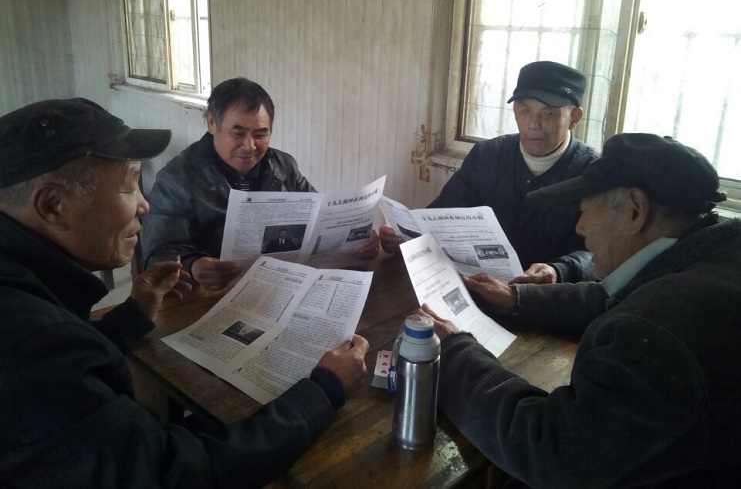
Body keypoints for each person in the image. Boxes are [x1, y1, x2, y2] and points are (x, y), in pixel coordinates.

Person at [0, 98, 369, 487]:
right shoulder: (33, 344)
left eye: (260, 133)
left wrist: (131, 317)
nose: (143, 204)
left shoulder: (32, 299)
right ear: (53, 206)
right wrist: (323, 391)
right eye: (129, 185)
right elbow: (176, 473)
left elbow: (74, 374)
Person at [418, 133, 741, 488]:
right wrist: (517, 299)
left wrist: (453, 354)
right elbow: (616, 299)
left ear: (634, 210)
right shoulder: (713, 254)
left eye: (585, 210)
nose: (579, 227)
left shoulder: (658, 331)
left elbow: (553, 452)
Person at [142, 77, 378, 291]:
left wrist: (356, 241)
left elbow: (322, 218)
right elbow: (157, 253)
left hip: (278, 287)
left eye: (260, 134)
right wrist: (193, 266)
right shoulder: (177, 178)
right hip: (205, 297)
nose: (249, 146)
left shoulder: (283, 166)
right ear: (212, 122)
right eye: (238, 133)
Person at [380, 61, 599, 284]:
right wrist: (408, 236)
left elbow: (600, 253)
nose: (533, 124)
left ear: (574, 118)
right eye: (525, 110)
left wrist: (559, 271)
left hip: (545, 299)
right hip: (474, 287)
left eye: (549, 113)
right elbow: (444, 212)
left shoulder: (593, 173)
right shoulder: (487, 155)